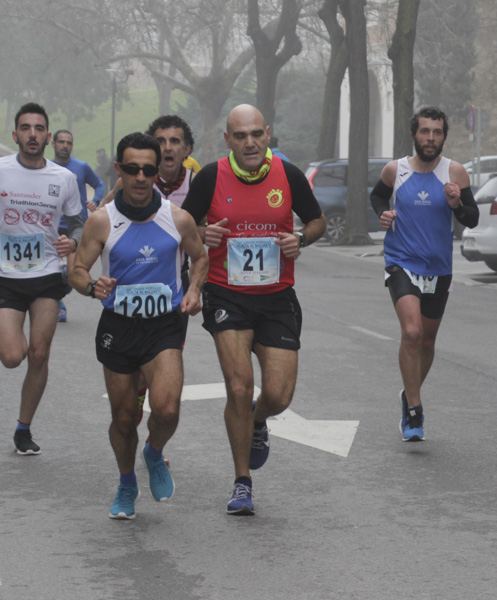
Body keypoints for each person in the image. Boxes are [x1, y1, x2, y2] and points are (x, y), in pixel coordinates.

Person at [182, 104, 326, 515]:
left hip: (278, 296)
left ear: (267, 135)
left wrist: (302, 238)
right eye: (240, 136)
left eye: (256, 134)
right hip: (227, 294)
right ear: (227, 140)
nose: (249, 142)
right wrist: (199, 233)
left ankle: (259, 421)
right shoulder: (210, 176)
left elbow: (317, 222)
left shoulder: (288, 175)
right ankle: (242, 481)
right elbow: (181, 224)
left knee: (278, 395)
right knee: (240, 388)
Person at [69, 132, 208, 520]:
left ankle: (154, 451)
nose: (142, 177)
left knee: (166, 409)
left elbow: (200, 258)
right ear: (120, 170)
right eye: (133, 169)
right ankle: (127, 481)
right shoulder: (102, 222)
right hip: (118, 325)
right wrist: (91, 285)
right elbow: (77, 270)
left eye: (149, 169)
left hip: (164, 325)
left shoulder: (177, 218)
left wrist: (194, 290)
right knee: (124, 417)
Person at [0, 102, 84, 456]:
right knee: (14, 356)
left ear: (47, 135)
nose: (32, 134)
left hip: (46, 275)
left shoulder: (64, 179)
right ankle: (14, 343)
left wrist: (72, 240)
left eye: (39, 128)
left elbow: (78, 222)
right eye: (25, 128)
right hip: (6, 276)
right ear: (15, 135)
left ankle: (23, 429)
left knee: (39, 355)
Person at [369, 106, 478, 442]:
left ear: (444, 136)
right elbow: (377, 197)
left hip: (439, 268)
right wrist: (383, 215)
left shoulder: (455, 172)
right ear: (414, 135)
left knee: (428, 342)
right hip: (401, 261)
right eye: (425, 132)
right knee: (413, 332)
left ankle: (407, 392)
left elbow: (471, 219)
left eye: (437, 132)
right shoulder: (395, 170)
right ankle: (414, 409)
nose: (431, 138)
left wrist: (457, 203)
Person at [51, 130, 106, 323]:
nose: (65, 145)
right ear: (53, 144)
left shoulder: (81, 167)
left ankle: (58, 296)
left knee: (71, 272)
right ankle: (56, 301)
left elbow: (99, 185)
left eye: (69, 143)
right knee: (50, 270)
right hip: (53, 229)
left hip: (77, 228)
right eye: (61, 142)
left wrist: (95, 200)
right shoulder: (46, 168)